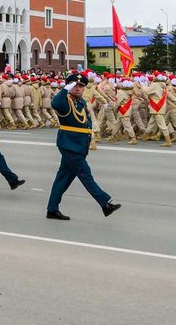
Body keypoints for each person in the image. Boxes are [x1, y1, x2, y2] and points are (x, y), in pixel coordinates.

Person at [47, 72, 121, 220]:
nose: (79, 88)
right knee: (85, 174)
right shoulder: (65, 101)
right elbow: (55, 103)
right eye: (76, 85)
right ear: (70, 86)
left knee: (63, 178)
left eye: (81, 85)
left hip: (78, 144)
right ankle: (105, 203)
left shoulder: (80, 102)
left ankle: (52, 209)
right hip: (69, 144)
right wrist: (66, 89)